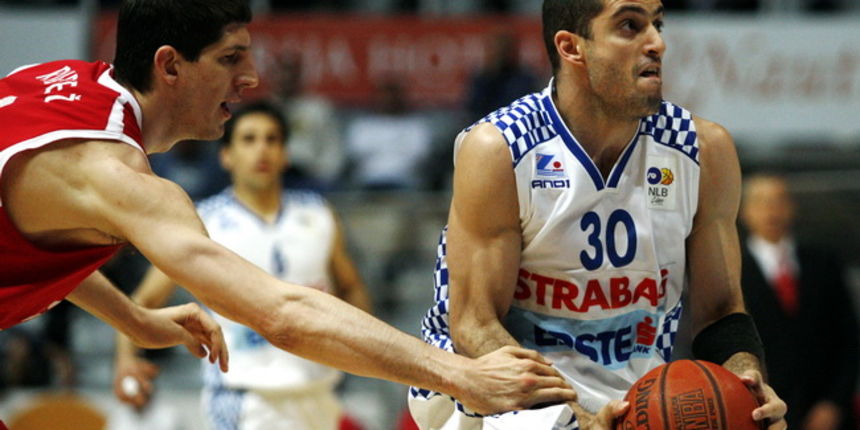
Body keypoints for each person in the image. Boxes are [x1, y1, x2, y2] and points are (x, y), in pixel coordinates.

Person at [0, 0, 576, 422]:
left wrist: (132, 317)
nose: (251, 78)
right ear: (169, 65)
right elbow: (280, 313)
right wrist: (460, 374)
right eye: (230, 59)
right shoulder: (118, 177)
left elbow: (45, 232)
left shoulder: (53, 81)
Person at [408, 0, 788, 429]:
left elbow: (721, 311)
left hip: (634, 404)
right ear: (572, 47)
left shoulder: (703, 150)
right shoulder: (501, 148)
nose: (657, 43)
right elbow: (476, 326)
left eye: (657, 25)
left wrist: (747, 385)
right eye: (630, 26)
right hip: (497, 405)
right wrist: (577, 420)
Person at [113, 102, 373, 430]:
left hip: (319, 393)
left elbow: (351, 286)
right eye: (249, 139)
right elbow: (144, 301)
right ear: (226, 156)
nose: (262, 149)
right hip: (243, 398)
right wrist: (125, 360)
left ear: (285, 154)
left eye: (271, 139)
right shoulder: (203, 220)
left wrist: (360, 341)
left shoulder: (318, 214)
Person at [740, 174, 858, 430]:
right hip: (761, 413)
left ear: (792, 207)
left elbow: (849, 337)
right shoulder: (731, 271)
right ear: (744, 212)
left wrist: (834, 402)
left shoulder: (824, 262)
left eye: (779, 201)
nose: (771, 210)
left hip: (829, 412)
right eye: (761, 202)